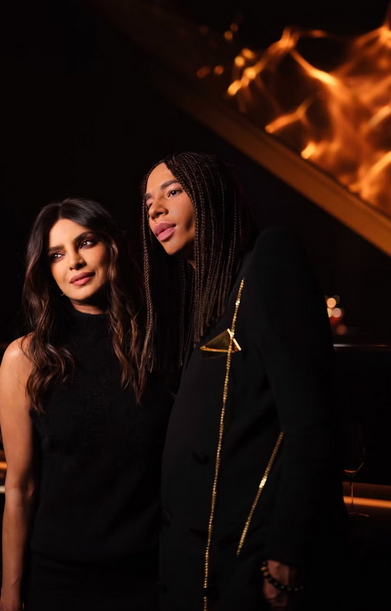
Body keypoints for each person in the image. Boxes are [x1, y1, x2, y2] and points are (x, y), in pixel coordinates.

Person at [140, 152, 347, 611]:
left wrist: (287, 553)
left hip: (247, 565)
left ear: (211, 194)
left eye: (173, 191)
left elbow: (311, 422)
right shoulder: (213, 300)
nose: (156, 210)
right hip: (196, 566)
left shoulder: (270, 257)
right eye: (149, 203)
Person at [0, 197, 172, 611]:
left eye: (86, 242)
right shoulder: (26, 358)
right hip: (58, 580)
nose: (73, 262)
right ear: (46, 270)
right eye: (56, 255)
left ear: (113, 246)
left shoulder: (159, 344)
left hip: (149, 577)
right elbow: (20, 488)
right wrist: (10, 593)